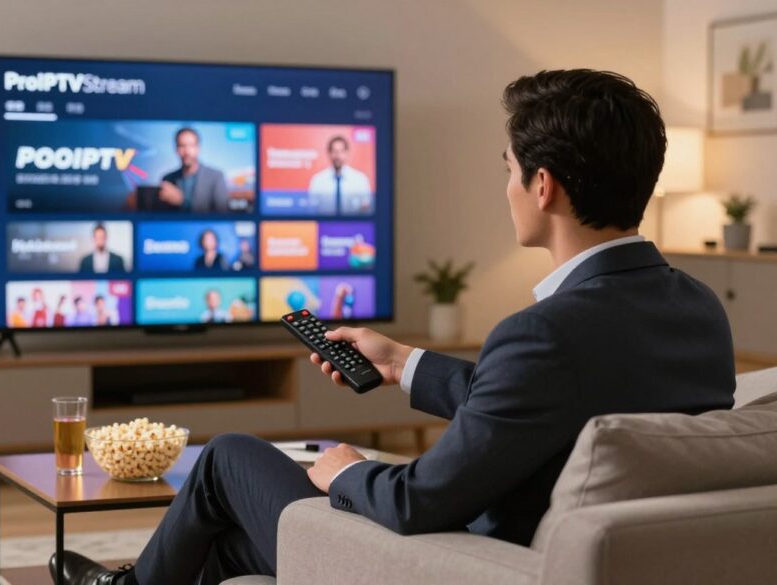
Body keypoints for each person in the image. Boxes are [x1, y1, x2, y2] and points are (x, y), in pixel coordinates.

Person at [52, 70, 736, 585]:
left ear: (543, 186)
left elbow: (417, 499)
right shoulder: (700, 310)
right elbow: (540, 405)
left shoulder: (544, 333)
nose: (505, 188)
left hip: (456, 559)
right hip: (562, 544)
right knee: (225, 546)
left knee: (228, 456)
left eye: (507, 170)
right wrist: (402, 361)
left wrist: (348, 471)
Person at [159, 128, 231, 212]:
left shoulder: (216, 177)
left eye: (191, 145)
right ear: (176, 149)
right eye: (182, 146)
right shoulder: (168, 179)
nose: (187, 151)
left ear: (198, 148)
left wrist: (183, 202)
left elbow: (222, 212)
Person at [307, 135, 373, 215]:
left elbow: (367, 210)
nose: (338, 156)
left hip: (353, 226)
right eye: (334, 151)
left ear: (347, 153)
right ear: (329, 154)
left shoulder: (361, 179)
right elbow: (311, 211)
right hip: (325, 226)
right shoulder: (317, 180)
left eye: (341, 151)